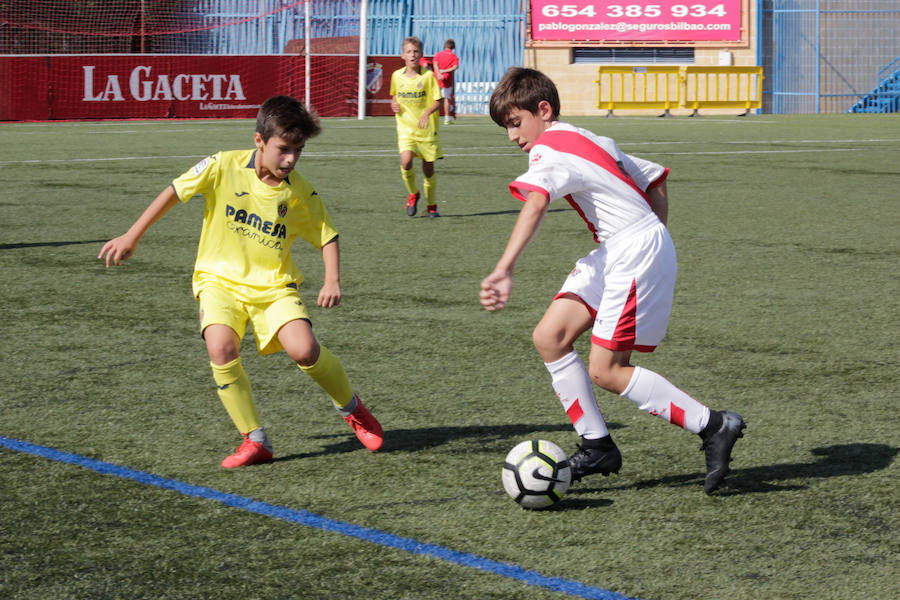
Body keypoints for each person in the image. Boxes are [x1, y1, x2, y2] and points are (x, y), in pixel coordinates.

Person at [479, 68, 745, 494]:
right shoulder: (591, 138)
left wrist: (504, 267)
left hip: (631, 250)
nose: (512, 137)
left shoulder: (548, 146)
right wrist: (650, 235)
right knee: (550, 336)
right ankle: (597, 444)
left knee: (607, 370)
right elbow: (655, 179)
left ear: (542, 110)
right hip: (622, 248)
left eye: (515, 123)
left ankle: (713, 425)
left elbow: (537, 202)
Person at [98, 95, 384, 468]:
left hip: (274, 285)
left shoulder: (300, 192)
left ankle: (352, 409)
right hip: (218, 280)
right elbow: (174, 191)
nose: (291, 160)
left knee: (304, 351)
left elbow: (327, 235)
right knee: (220, 348)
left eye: (298, 151)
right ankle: (255, 440)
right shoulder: (222, 165)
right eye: (283, 150)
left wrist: (332, 279)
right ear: (259, 141)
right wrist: (132, 235)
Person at [390, 36, 443, 218]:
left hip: (426, 131)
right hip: (405, 129)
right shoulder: (396, 76)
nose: (412, 55)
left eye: (416, 51)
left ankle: (431, 205)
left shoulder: (428, 76)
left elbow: (438, 100)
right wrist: (393, 104)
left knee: (428, 169)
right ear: (402, 55)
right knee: (406, 162)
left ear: (421, 54)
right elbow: (394, 96)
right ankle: (413, 193)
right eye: (409, 52)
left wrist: (427, 113)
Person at [432, 39, 459, 125]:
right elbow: (455, 67)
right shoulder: (454, 56)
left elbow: (435, 64)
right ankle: (447, 118)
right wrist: (444, 71)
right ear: (453, 47)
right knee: (447, 99)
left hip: (436, 78)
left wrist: (438, 73)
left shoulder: (438, 54)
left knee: (434, 98)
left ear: (445, 46)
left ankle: (431, 115)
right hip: (447, 79)